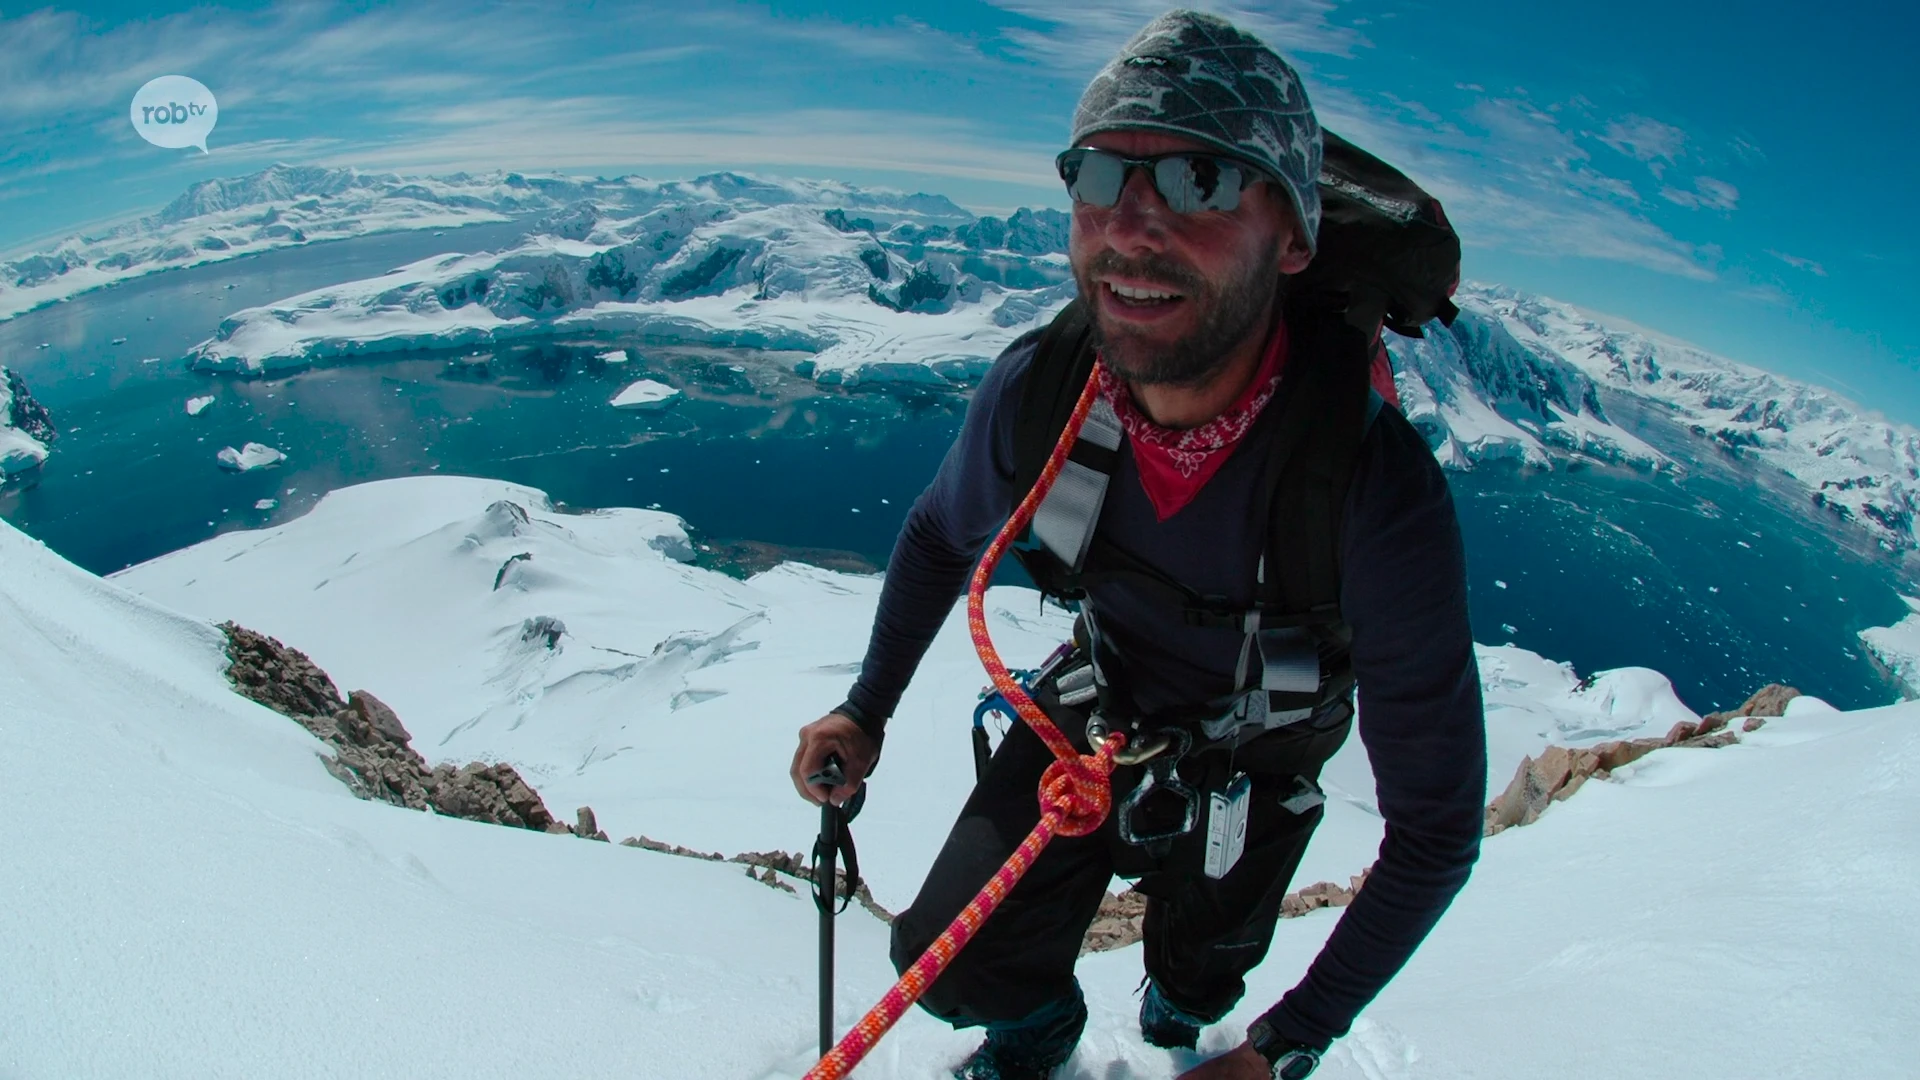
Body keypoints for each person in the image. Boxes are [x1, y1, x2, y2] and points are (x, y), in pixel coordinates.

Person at [790, 10, 1487, 1079]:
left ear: (1293, 237)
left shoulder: (1369, 490)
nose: (1132, 224)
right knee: (948, 959)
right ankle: (1039, 1031)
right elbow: (941, 535)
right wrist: (865, 706)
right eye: (1102, 175)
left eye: (1203, 179)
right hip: (1101, 704)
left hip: (1261, 748)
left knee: (1199, 985)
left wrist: (1275, 1051)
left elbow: (1435, 831)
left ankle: (1179, 1008)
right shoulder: (1044, 393)